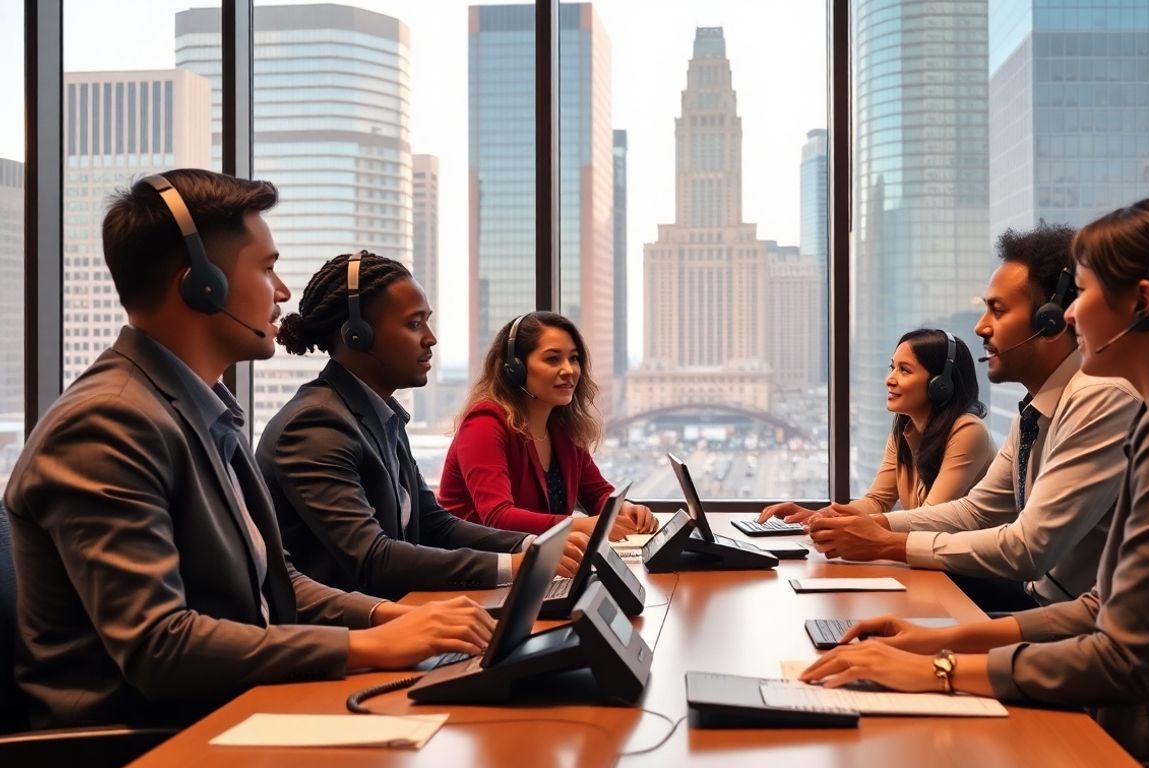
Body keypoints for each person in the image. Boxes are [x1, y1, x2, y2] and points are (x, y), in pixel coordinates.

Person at [802, 196, 1149, 767]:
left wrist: (938, 671)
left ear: (1141, 304)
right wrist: (940, 641)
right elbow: (1101, 607)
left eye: (1081, 293)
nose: (1066, 315)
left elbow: (1123, 660)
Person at [3, 169, 494, 729]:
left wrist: (392, 618)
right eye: (266, 268)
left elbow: (278, 583)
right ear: (201, 284)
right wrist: (366, 648)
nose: (283, 292)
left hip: (238, 707)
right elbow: (158, 646)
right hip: (153, 740)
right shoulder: (108, 423)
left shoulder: (202, 410)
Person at [805, 224, 1141, 612]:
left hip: (1070, 616)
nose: (981, 326)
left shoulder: (1100, 397)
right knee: (882, 603)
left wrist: (886, 542)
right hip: (1039, 598)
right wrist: (874, 527)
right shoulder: (1036, 409)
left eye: (997, 310)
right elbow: (976, 511)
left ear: (1050, 321)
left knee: (899, 611)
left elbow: (1029, 549)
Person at [257, 251, 588, 601]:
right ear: (357, 335)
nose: (430, 338)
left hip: (399, 619)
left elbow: (434, 524)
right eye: (414, 324)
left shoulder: (382, 418)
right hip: (348, 639)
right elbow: (373, 557)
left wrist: (534, 546)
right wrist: (514, 566)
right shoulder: (315, 426)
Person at [439, 311, 658, 537]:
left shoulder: (561, 427)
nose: (569, 370)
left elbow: (597, 494)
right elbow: (498, 517)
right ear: (515, 369)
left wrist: (625, 510)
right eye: (553, 359)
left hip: (539, 565)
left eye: (574, 358)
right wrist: (583, 525)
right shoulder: (484, 424)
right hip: (479, 566)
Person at [759, 329, 994, 522]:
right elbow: (877, 501)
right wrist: (818, 517)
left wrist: (852, 525)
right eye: (893, 367)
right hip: (934, 564)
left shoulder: (967, 431)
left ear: (941, 384)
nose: (889, 379)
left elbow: (930, 519)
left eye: (904, 370)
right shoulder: (905, 431)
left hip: (971, 575)